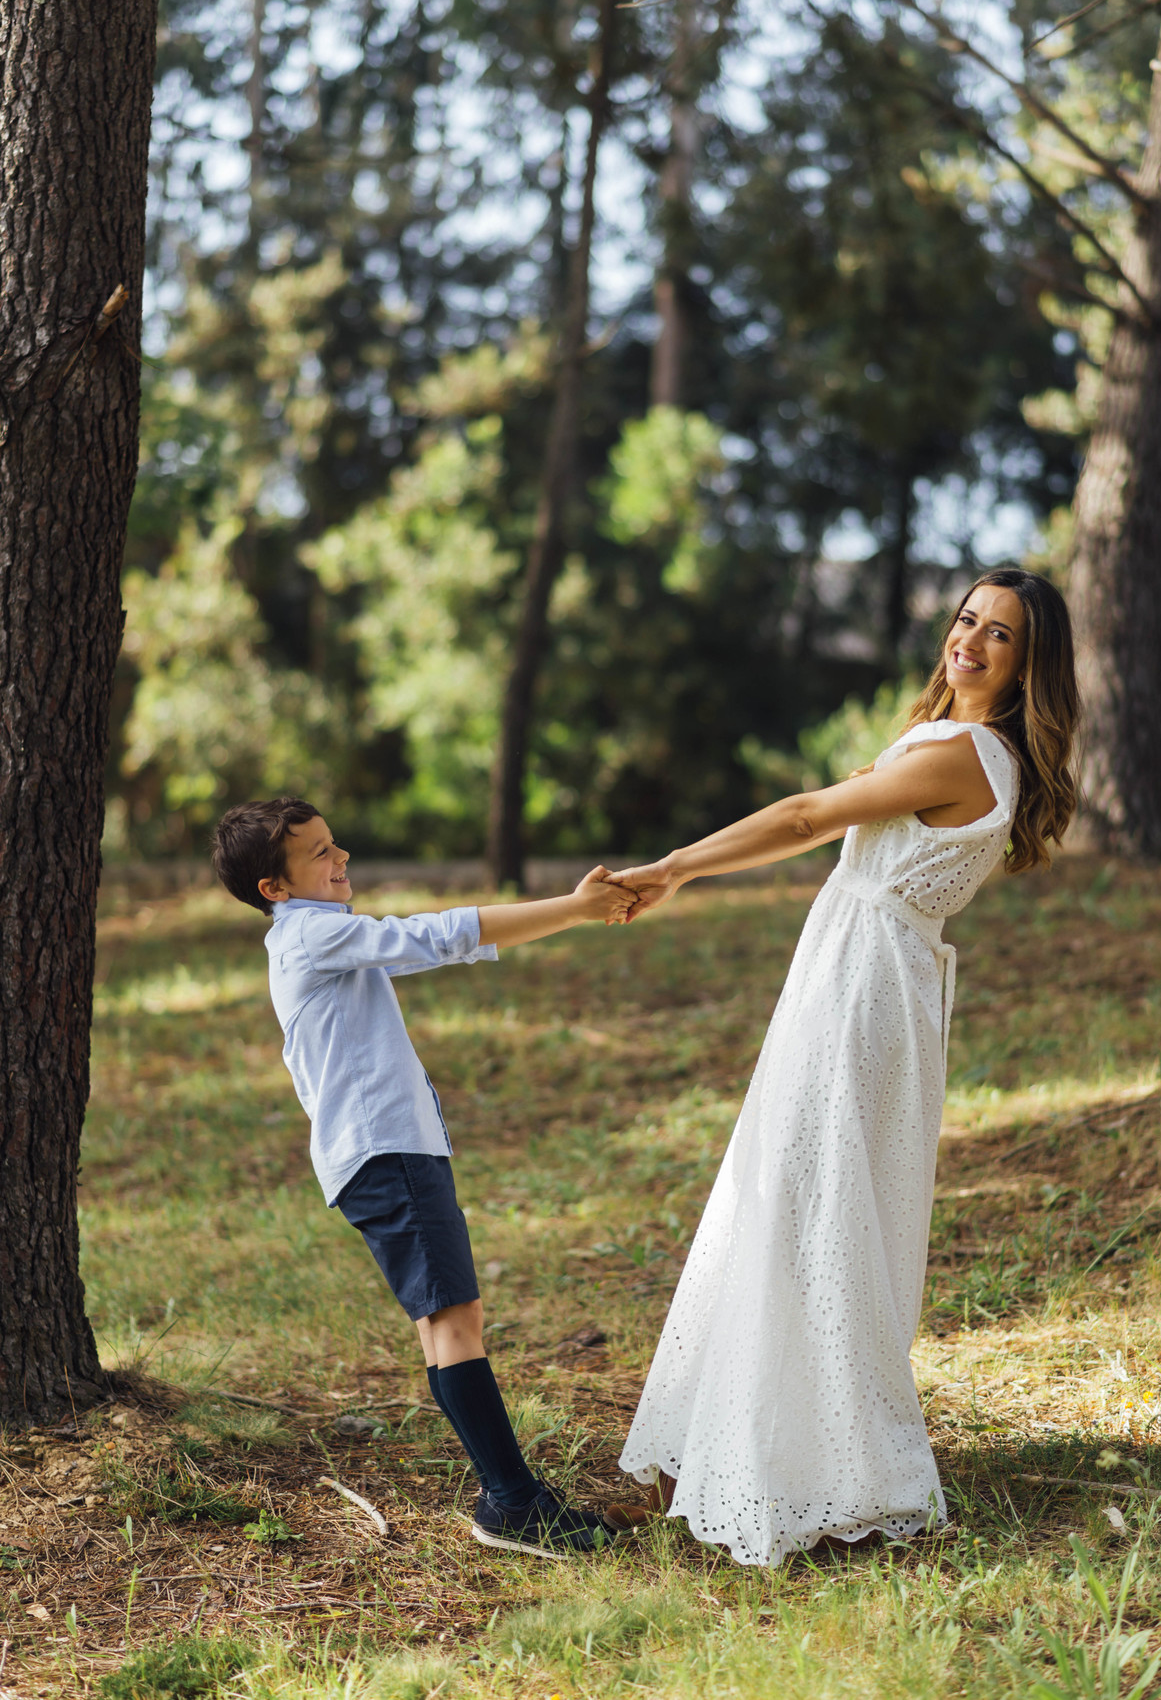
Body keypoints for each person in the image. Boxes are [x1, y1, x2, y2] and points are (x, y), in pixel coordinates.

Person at [607, 568, 1078, 1566]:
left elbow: (804, 817)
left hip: (863, 985)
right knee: (798, 1202)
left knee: (803, 1208)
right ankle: (731, 1449)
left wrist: (676, 866)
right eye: (966, 619)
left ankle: (802, 1465)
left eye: (1002, 635)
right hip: (868, 973)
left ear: (1031, 664)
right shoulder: (974, 750)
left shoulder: (965, 751)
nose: (972, 641)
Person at [211, 798, 636, 1559]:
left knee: (444, 1326)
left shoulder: (310, 935)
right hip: (385, 1153)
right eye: (318, 855)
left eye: (337, 845)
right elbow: (431, 936)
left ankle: (509, 1494)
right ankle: (512, 1503)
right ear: (274, 887)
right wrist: (573, 908)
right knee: (454, 1321)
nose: (341, 861)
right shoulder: (311, 935)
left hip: (383, 1154)